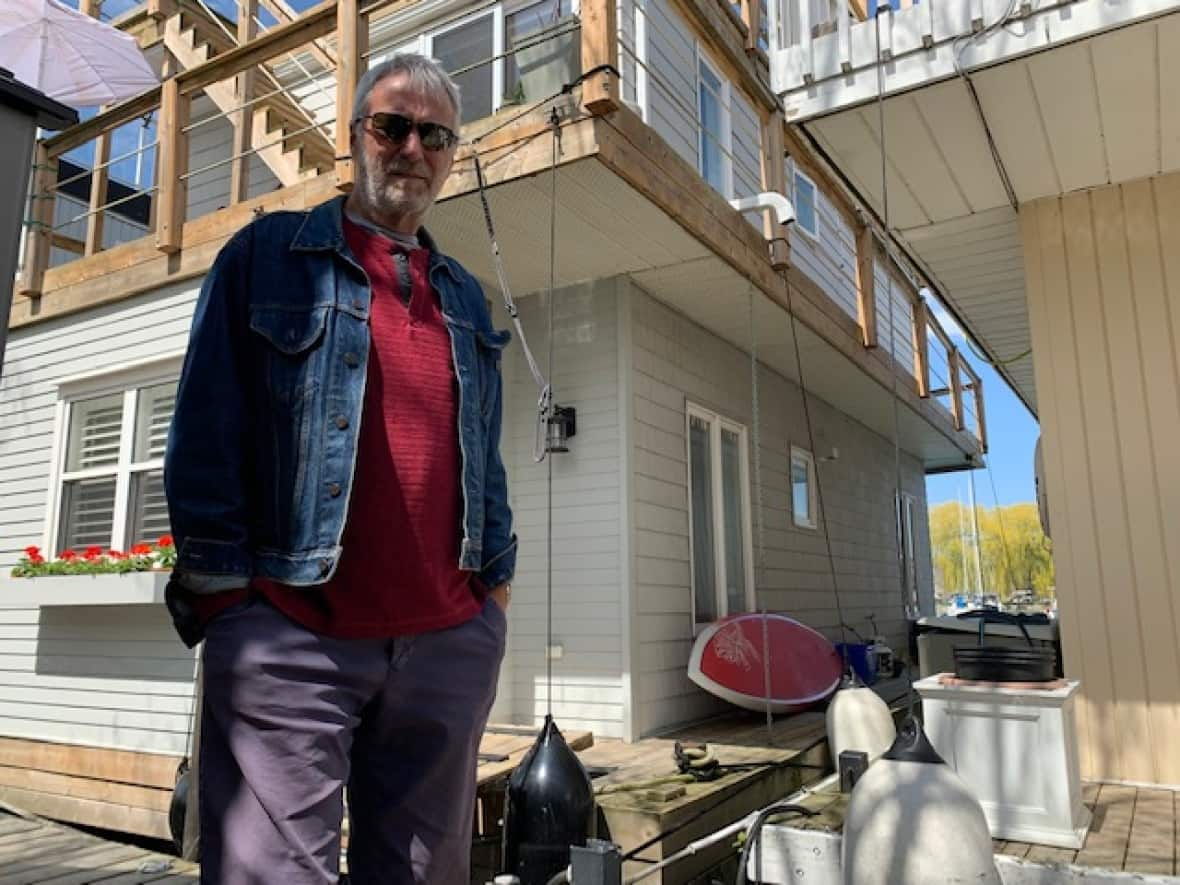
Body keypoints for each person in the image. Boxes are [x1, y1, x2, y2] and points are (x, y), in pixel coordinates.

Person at [163, 53, 516, 885]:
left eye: (433, 134)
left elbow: (486, 458)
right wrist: (231, 602)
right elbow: (204, 433)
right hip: (290, 636)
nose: (411, 148)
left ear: (450, 154)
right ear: (355, 137)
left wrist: (490, 596)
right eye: (391, 126)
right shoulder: (268, 256)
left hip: (444, 646)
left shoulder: (464, 295)